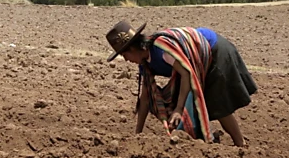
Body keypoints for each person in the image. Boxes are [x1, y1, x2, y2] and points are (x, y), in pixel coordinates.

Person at [105, 20, 258, 147]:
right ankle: (197, 138)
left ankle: (240, 144)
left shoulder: (162, 50)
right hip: (196, 61)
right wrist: (137, 134)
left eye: (125, 54)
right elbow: (145, 98)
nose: (125, 59)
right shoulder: (145, 63)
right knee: (178, 99)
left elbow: (186, 73)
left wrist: (179, 109)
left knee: (217, 103)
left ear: (133, 48)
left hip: (213, 50)